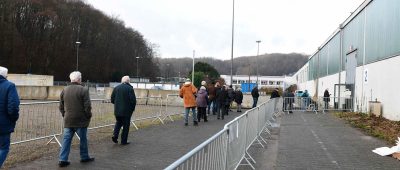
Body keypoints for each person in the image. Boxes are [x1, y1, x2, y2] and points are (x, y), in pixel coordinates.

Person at [59, 71, 94, 167]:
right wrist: (88, 115)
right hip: (81, 120)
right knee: (83, 139)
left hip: (68, 119)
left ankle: (63, 159)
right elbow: (87, 106)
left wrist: (64, 115)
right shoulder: (84, 90)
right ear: (79, 79)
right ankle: (84, 156)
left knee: (66, 140)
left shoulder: (64, 90)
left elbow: (61, 106)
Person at [0, 67, 19, 168]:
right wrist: (13, 119)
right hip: (3, 124)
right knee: (4, 148)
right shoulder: (9, 86)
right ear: (5, 75)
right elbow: (13, 106)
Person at [111, 76, 136, 145]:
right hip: (127, 111)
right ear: (128, 81)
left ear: (122, 81)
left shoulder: (116, 88)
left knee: (118, 122)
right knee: (126, 126)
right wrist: (132, 109)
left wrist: (117, 105)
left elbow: (112, 99)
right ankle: (123, 141)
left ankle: (115, 135)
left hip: (117, 110)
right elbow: (133, 101)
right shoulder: (130, 89)